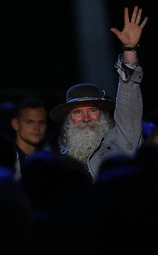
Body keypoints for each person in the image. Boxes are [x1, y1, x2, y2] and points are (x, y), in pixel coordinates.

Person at [49, 5, 148, 183]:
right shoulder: (59, 164)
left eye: (92, 110)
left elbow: (129, 106)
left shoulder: (122, 141)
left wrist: (129, 51)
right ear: (68, 122)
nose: (86, 118)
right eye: (78, 112)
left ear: (103, 115)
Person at [11, 96, 50, 167]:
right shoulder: (8, 159)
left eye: (41, 122)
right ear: (15, 124)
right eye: (30, 122)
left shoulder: (49, 160)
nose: (37, 128)